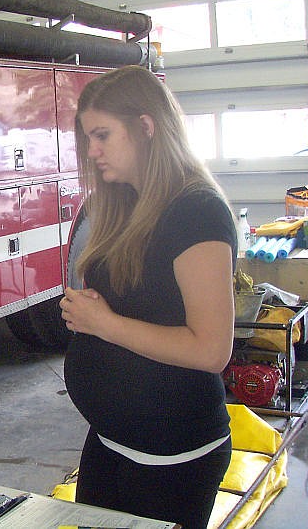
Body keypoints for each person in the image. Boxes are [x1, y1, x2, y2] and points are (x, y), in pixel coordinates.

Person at [59, 65, 236, 529]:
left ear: (146, 126)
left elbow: (211, 349)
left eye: (102, 136)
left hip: (173, 455)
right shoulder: (123, 203)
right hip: (111, 441)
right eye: (87, 138)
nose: (92, 152)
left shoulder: (197, 213)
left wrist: (105, 324)